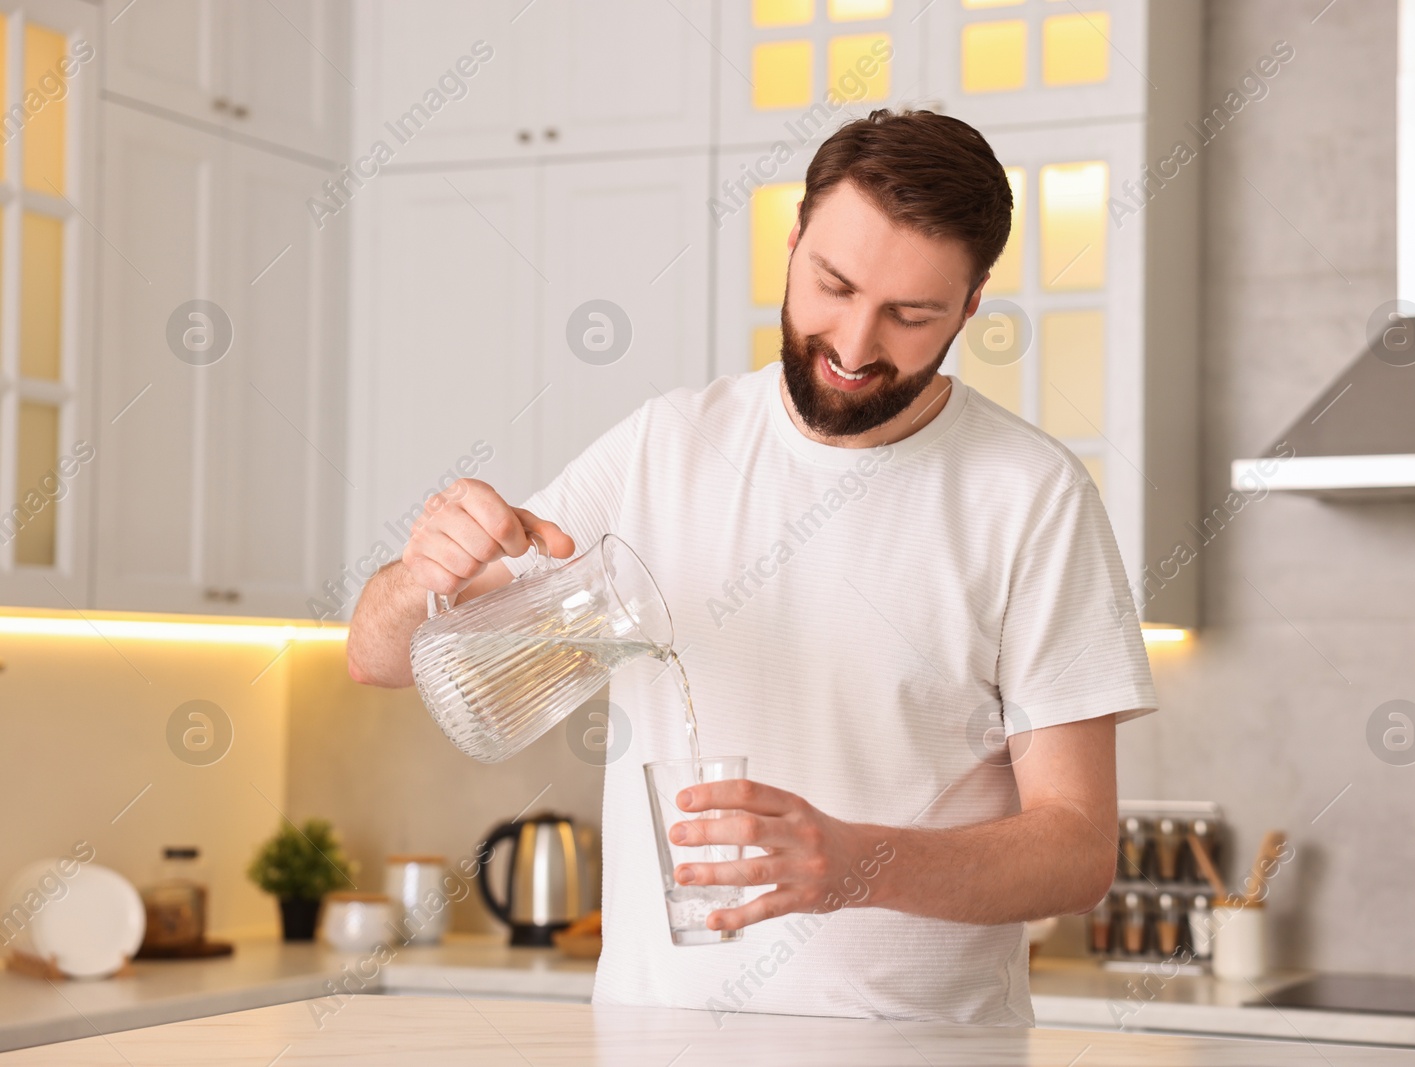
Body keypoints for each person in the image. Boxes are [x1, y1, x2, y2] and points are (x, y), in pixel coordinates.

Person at [347, 107, 1156, 1027]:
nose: (854, 345)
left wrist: (859, 865)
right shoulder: (667, 446)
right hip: (654, 1042)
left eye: (910, 314)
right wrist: (424, 571)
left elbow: (1078, 850)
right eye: (833, 285)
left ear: (970, 309)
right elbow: (378, 657)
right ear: (792, 242)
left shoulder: (1030, 495)